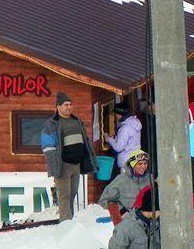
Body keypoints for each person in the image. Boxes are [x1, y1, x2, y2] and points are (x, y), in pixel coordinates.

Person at [41, 91, 95, 221]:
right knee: (64, 195)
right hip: (63, 165)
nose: (69, 107)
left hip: (76, 164)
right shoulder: (52, 124)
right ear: (58, 107)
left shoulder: (77, 121)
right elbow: (47, 146)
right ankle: (65, 222)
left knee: (72, 194)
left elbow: (85, 140)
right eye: (66, 104)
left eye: (70, 104)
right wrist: (55, 162)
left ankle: (69, 219)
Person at [100, 149, 153, 223]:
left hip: (149, 223)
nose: (143, 166)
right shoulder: (121, 180)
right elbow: (104, 200)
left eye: (145, 163)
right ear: (132, 164)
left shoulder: (151, 180)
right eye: (140, 164)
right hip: (127, 224)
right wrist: (122, 211)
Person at [107, 103, 144, 174]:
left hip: (126, 163)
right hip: (135, 159)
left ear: (119, 114)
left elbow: (118, 147)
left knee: (126, 183)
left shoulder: (125, 128)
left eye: (115, 114)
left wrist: (109, 139)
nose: (115, 116)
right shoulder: (134, 122)